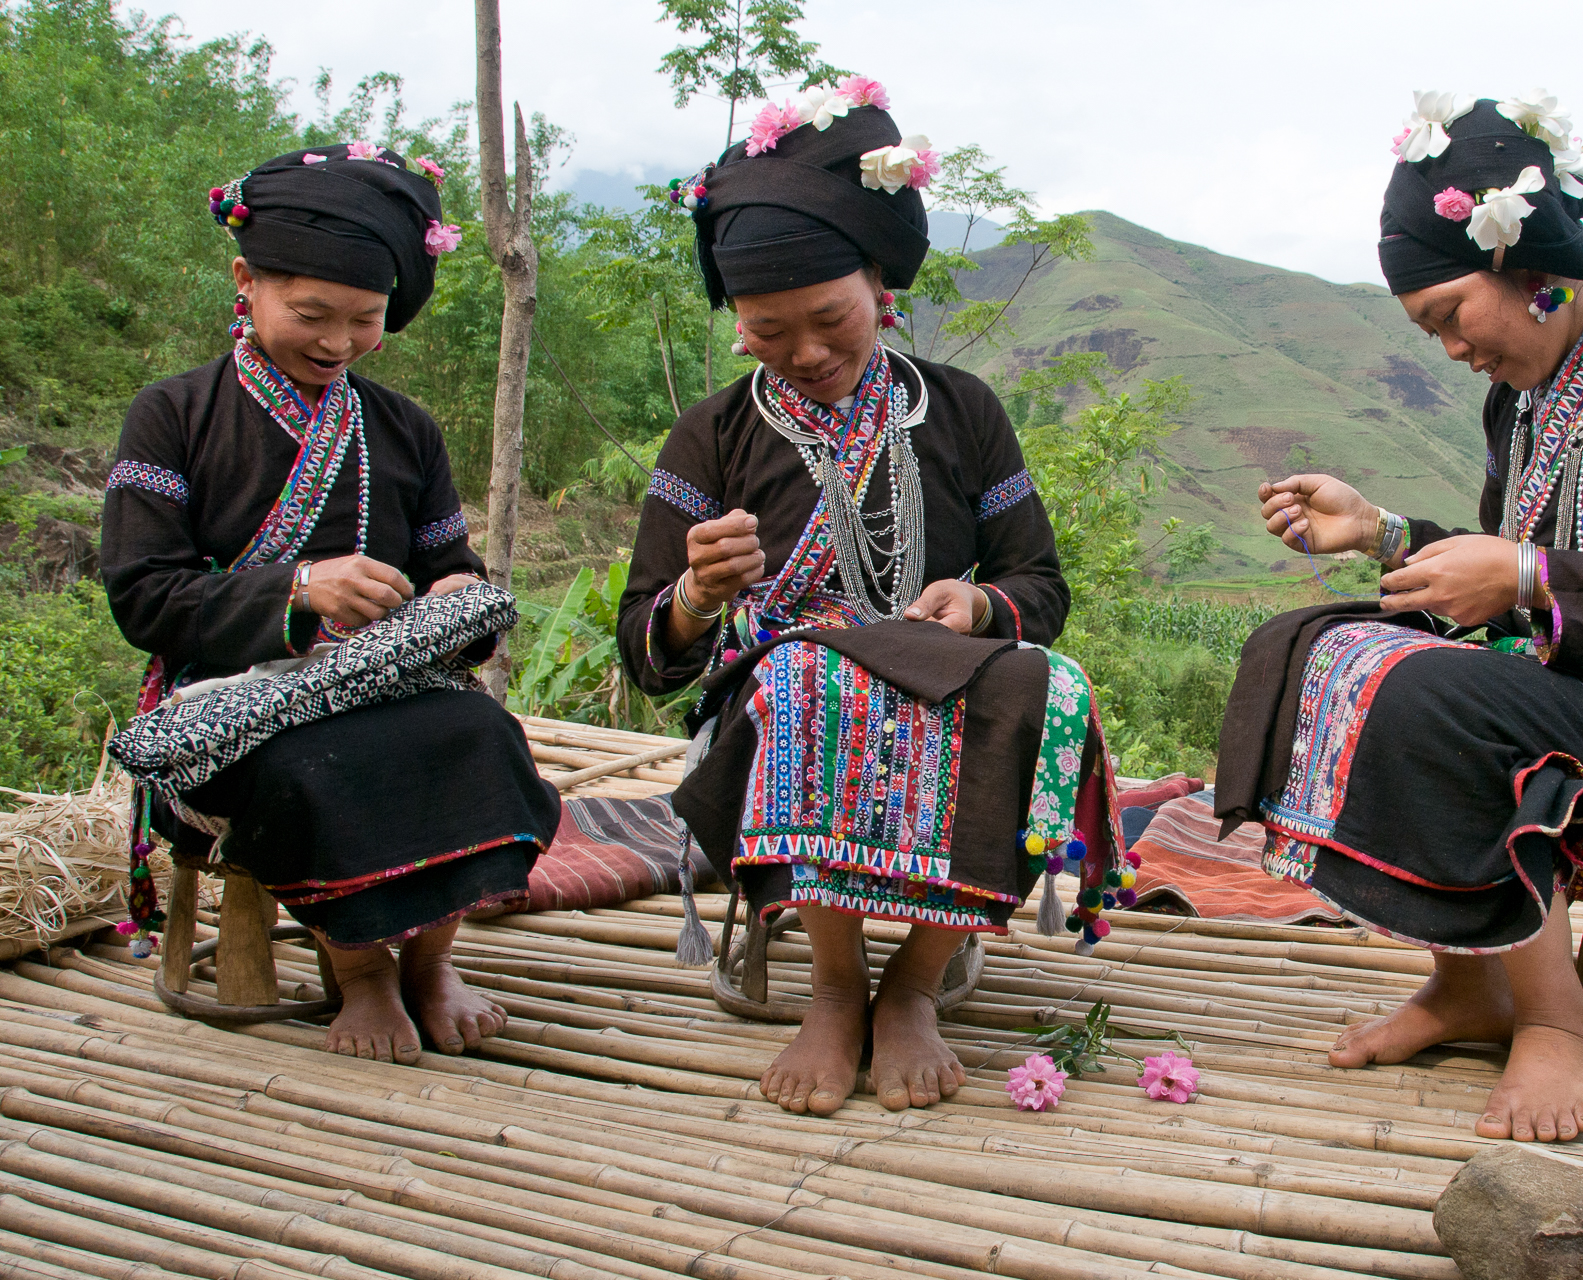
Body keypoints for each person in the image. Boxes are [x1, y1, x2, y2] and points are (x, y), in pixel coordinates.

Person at [1215, 93, 1583, 1142]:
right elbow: (1507, 578)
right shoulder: (1524, 400)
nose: (1451, 350)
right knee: (1309, 646)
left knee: (1427, 689)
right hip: (1575, 696)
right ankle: (1472, 980)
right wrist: (1387, 532)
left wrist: (1528, 576)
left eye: (1450, 315)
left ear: (1532, 269)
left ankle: (1556, 1018)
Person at [618, 78, 1119, 1118]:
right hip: (787, 674)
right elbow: (648, 648)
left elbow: (1040, 582)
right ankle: (838, 986)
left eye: (829, 319)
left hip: (941, 657)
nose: (804, 353)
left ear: (882, 283)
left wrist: (980, 610)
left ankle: (915, 984)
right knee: (814, 676)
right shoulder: (709, 435)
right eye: (766, 330)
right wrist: (698, 597)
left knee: (1045, 686)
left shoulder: (964, 411)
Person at [101, 143, 560, 1064]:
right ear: (247, 280)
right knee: (324, 766)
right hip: (228, 707)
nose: (337, 343)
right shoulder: (173, 414)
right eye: (311, 314)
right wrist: (302, 588)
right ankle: (362, 974)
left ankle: (431, 963)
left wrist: (458, 595)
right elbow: (143, 595)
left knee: (481, 738)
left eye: (366, 321)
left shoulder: (404, 427)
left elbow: (447, 563)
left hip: (381, 682)